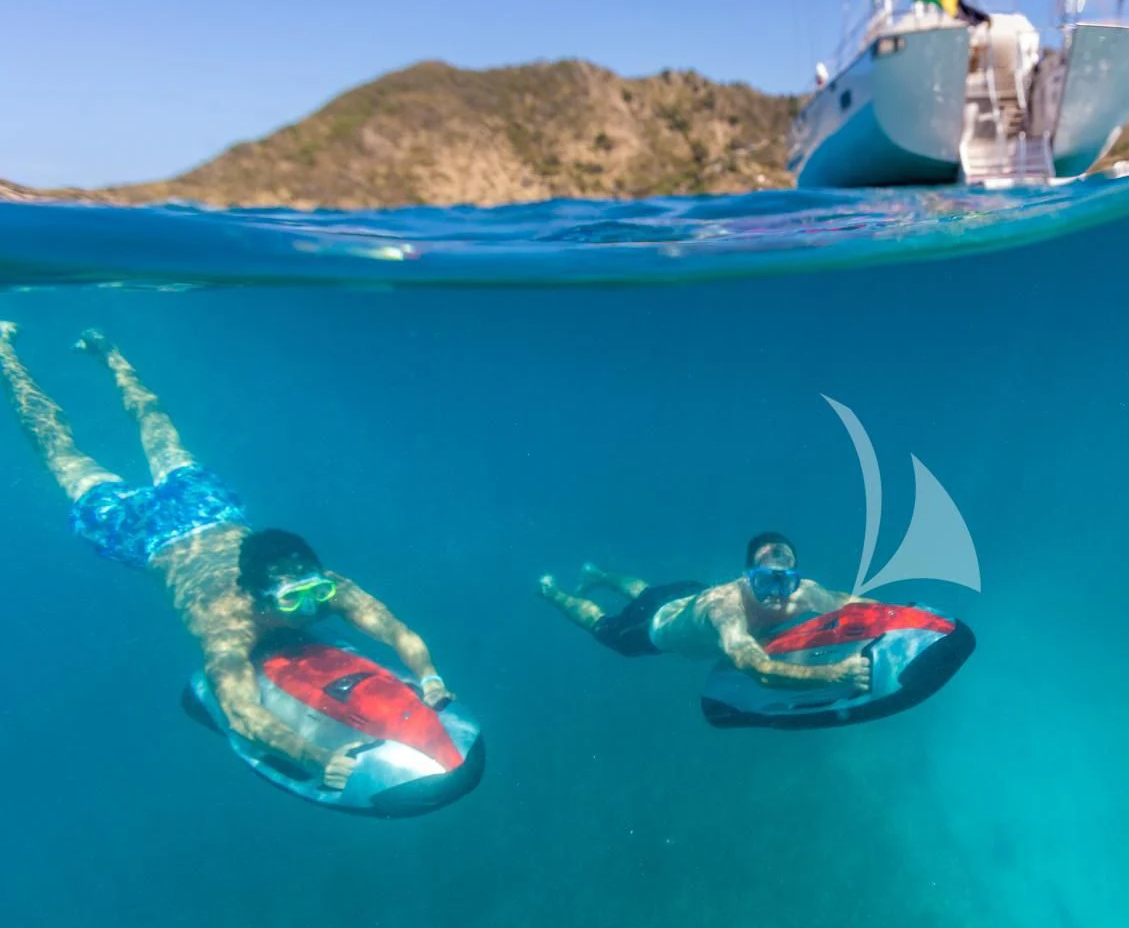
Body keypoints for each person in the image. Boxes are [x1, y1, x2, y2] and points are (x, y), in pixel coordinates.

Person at [0, 323, 455, 790]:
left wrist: (429, 676)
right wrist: (318, 757)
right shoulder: (227, 625)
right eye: (290, 600)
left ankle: (110, 355)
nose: (310, 608)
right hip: (142, 534)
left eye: (314, 591)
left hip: (209, 509)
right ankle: (6, 352)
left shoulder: (331, 586)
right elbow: (240, 712)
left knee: (158, 426)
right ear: (257, 595)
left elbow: (395, 630)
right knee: (58, 451)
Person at [538, 531, 872, 692]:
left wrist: (899, 616)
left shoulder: (805, 592)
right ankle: (552, 592)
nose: (775, 593)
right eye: (763, 581)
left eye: (784, 582)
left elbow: (848, 603)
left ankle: (596, 575)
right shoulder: (727, 613)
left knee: (645, 591)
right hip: (652, 626)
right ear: (746, 578)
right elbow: (760, 669)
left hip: (689, 593)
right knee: (605, 628)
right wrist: (835, 674)